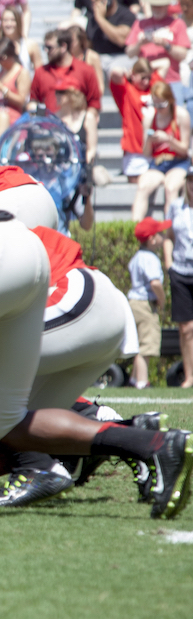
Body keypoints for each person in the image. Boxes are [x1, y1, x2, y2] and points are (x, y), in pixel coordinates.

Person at [132, 81, 191, 220]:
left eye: (162, 105)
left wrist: (169, 140)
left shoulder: (181, 115)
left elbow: (185, 150)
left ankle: (169, 232)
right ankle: (135, 231)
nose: (158, 109)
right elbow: (146, 153)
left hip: (178, 162)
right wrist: (149, 141)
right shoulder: (149, 119)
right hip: (157, 163)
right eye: (155, 104)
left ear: (170, 101)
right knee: (142, 186)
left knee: (170, 188)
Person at [128, 217, 169, 389]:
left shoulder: (137, 256)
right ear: (152, 239)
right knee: (146, 345)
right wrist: (162, 299)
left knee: (138, 342)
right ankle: (142, 382)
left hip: (133, 302)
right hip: (145, 304)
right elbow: (155, 283)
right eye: (160, 233)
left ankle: (133, 379)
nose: (163, 236)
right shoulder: (150, 258)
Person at [126, 0, 191, 87]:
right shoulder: (140, 24)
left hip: (170, 80)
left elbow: (183, 54)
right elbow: (129, 53)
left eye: (160, 5)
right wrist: (140, 44)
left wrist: (166, 45)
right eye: (154, 5)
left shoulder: (177, 23)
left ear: (167, 5)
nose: (157, 8)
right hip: (145, 81)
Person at [30, 28, 102, 115]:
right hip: (49, 125)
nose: (46, 51)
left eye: (49, 48)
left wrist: (88, 120)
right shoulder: (41, 72)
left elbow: (94, 103)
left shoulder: (85, 70)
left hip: (76, 124)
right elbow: (33, 100)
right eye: (44, 47)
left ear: (63, 46)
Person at [165, 171, 193, 386]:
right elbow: (168, 237)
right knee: (185, 328)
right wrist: (169, 265)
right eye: (190, 180)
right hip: (181, 271)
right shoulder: (176, 207)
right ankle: (189, 375)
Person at [111, 59, 157, 179]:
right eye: (143, 78)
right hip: (135, 150)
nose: (146, 82)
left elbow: (165, 64)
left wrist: (147, 69)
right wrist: (130, 73)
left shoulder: (153, 88)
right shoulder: (126, 90)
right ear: (134, 75)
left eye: (148, 78)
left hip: (154, 150)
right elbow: (115, 73)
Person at [86, 0, 138, 73]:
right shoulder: (92, 17)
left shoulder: (126, 15)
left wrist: (101, 19)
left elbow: (121, 40)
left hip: (121, 57)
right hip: (99, 58)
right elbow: (89, 44)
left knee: (115, 70)